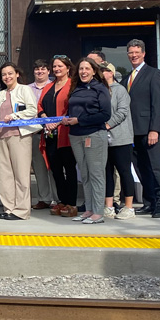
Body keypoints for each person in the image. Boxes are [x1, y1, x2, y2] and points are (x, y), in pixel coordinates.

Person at [61, 59, 111, 224]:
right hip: (75, 135)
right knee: (85, 174)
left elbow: (105, 115)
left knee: (96, 173)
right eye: (81, 68)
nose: (83, 71)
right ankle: (89, 209)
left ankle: (98, 212)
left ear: (94, 71)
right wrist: (68, 120)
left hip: (94, 134)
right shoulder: (76, 88)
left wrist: (79, 120)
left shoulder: (100, 88)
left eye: (87, 68)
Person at [0, 63, 40, 220]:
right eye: (4, 74)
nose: (7, 77)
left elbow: (32, 110)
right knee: (5, 175)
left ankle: (22, 210)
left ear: (17, 74)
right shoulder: (0, 94)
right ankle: (9, 207)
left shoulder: (25, 90)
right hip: (1, 137)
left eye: (10, 73)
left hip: (20, 136)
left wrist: (14, 116)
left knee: (21, 174)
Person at [124, 39, 160, 218]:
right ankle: (149, 202)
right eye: (130, 53)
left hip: (148, 130)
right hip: (132, 131)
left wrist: (154, 129)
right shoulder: (127, 77)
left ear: (143, 54)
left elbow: (158, 104)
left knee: (156, 168)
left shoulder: (153, 74)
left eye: (137, 52)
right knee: (141, 169)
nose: (133, 56)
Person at [38, 56, 78, 218]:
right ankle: (61, 200)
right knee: (56, 170)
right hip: (50, 134)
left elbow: (73, 107)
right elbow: (40, 105)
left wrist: (59, 122)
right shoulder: (48, 86)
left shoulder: (73, 85)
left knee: (69, 169)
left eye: (60, 66)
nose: (56, 69)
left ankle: (71, 203)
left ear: (68, 68)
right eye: (54, 66)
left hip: (66, 135)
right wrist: (46, 118)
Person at [100, 61, 136, 220]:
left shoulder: (120, 90)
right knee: (106, 172)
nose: (103, 74)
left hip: (121, 138)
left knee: (124, 171)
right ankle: (108, 206)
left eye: (106, 71)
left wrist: (107, 124)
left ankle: (128, 207)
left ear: (112, 73)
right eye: (101, 71)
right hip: (102, 139)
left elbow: (122, 112)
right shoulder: (99, 90)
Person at [29, 59, 58, 210]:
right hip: (35, 132)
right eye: (37, 69)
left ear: (48, 71)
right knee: (39, 167)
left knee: (53, 166)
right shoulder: (27, 89)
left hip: (53, 132)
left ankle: (57, 198)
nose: (40, 72)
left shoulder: (55, 86)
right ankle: (44, 198)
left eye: (43, 69)